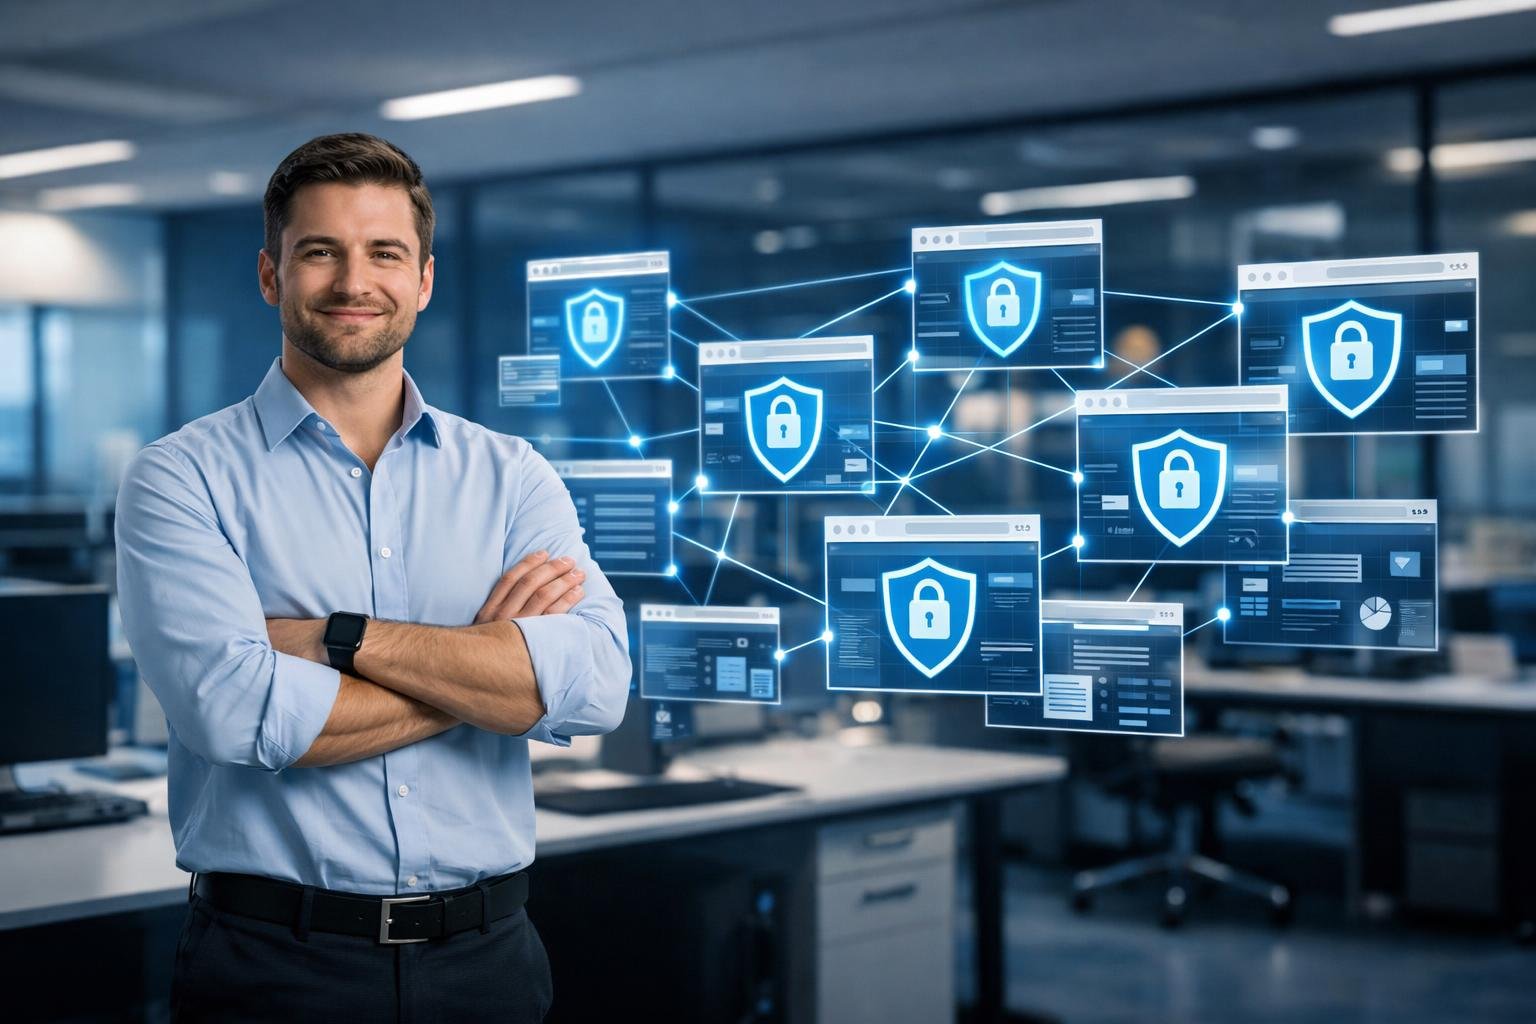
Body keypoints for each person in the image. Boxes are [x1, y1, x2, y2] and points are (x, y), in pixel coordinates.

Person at [115, 132, 631, 1023]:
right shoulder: (180, 476)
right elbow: (233, 712)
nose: (355, 282)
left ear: (423, 280)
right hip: (275, 968)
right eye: (320, 252)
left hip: (491, 966)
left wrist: (334, 641)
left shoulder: (513, 474)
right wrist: (490, 672)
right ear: (273, 275)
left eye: (385, 253)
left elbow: (599, 686)